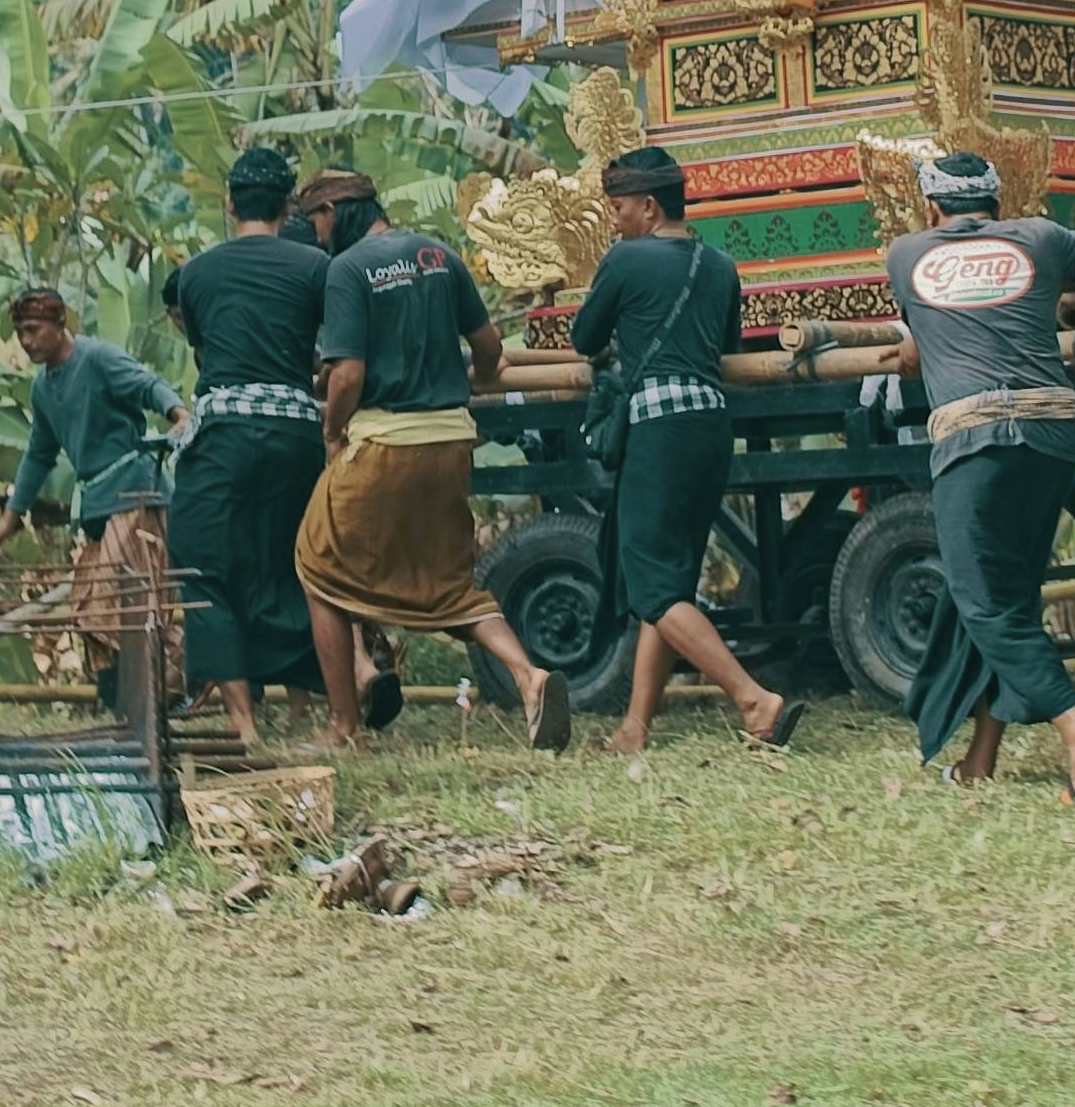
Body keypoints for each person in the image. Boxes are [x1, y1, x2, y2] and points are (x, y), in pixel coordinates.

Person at [790, 140, 1075, 802]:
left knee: (983, 602)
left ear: (929, 207)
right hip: (1052, 431)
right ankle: (981, 757)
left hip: (975, 437)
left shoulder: (904, 254)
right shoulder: (1039, 236)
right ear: (997, 202)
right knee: (1006, 598)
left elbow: (928, 340)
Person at [294, 168, 560, 743]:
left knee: (317, 567)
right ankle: (529, 675)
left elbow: (347, 374)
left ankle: (343, 726)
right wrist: (483, 378)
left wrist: (333, 434)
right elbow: (488, 346)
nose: (316, 237)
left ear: (336, 211)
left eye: (316, 221)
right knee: (451, 587)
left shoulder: (347, 270)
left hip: (384, 444)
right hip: (450, 445)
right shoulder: (438, 256)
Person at [571, 148, 790, 753]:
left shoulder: (626, 259)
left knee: (652, 590)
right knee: (669, 583)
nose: (614, 220)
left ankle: (753, 699)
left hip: (658, 431)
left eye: (618, 208)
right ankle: (634, 729)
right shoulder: (718, 265)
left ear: (648, 205)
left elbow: (583, 336)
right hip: (710, 428)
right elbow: (727, 344)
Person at [162, 148, 334, 753]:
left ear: (229, 202)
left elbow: (210, 356)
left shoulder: (196, 275)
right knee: (293, 563)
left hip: (226, 433)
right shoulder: (316, 267)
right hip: (296, 434)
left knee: (202, 567)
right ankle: (303, 712)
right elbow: (325, 358)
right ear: (289, 206)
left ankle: (244, 726)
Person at [7, 287, 187, 730]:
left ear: (58, 323)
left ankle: (175, 683)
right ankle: (128, 708)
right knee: (91, 611)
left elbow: (147, 385)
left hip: (135, 495)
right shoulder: (43, 386)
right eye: (20, 334)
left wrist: (178, 413)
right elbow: (39, 453)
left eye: (33, 330)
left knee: (127, 602)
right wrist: (12, 513)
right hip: (96, 505)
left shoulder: (98, 357)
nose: (27, 341)